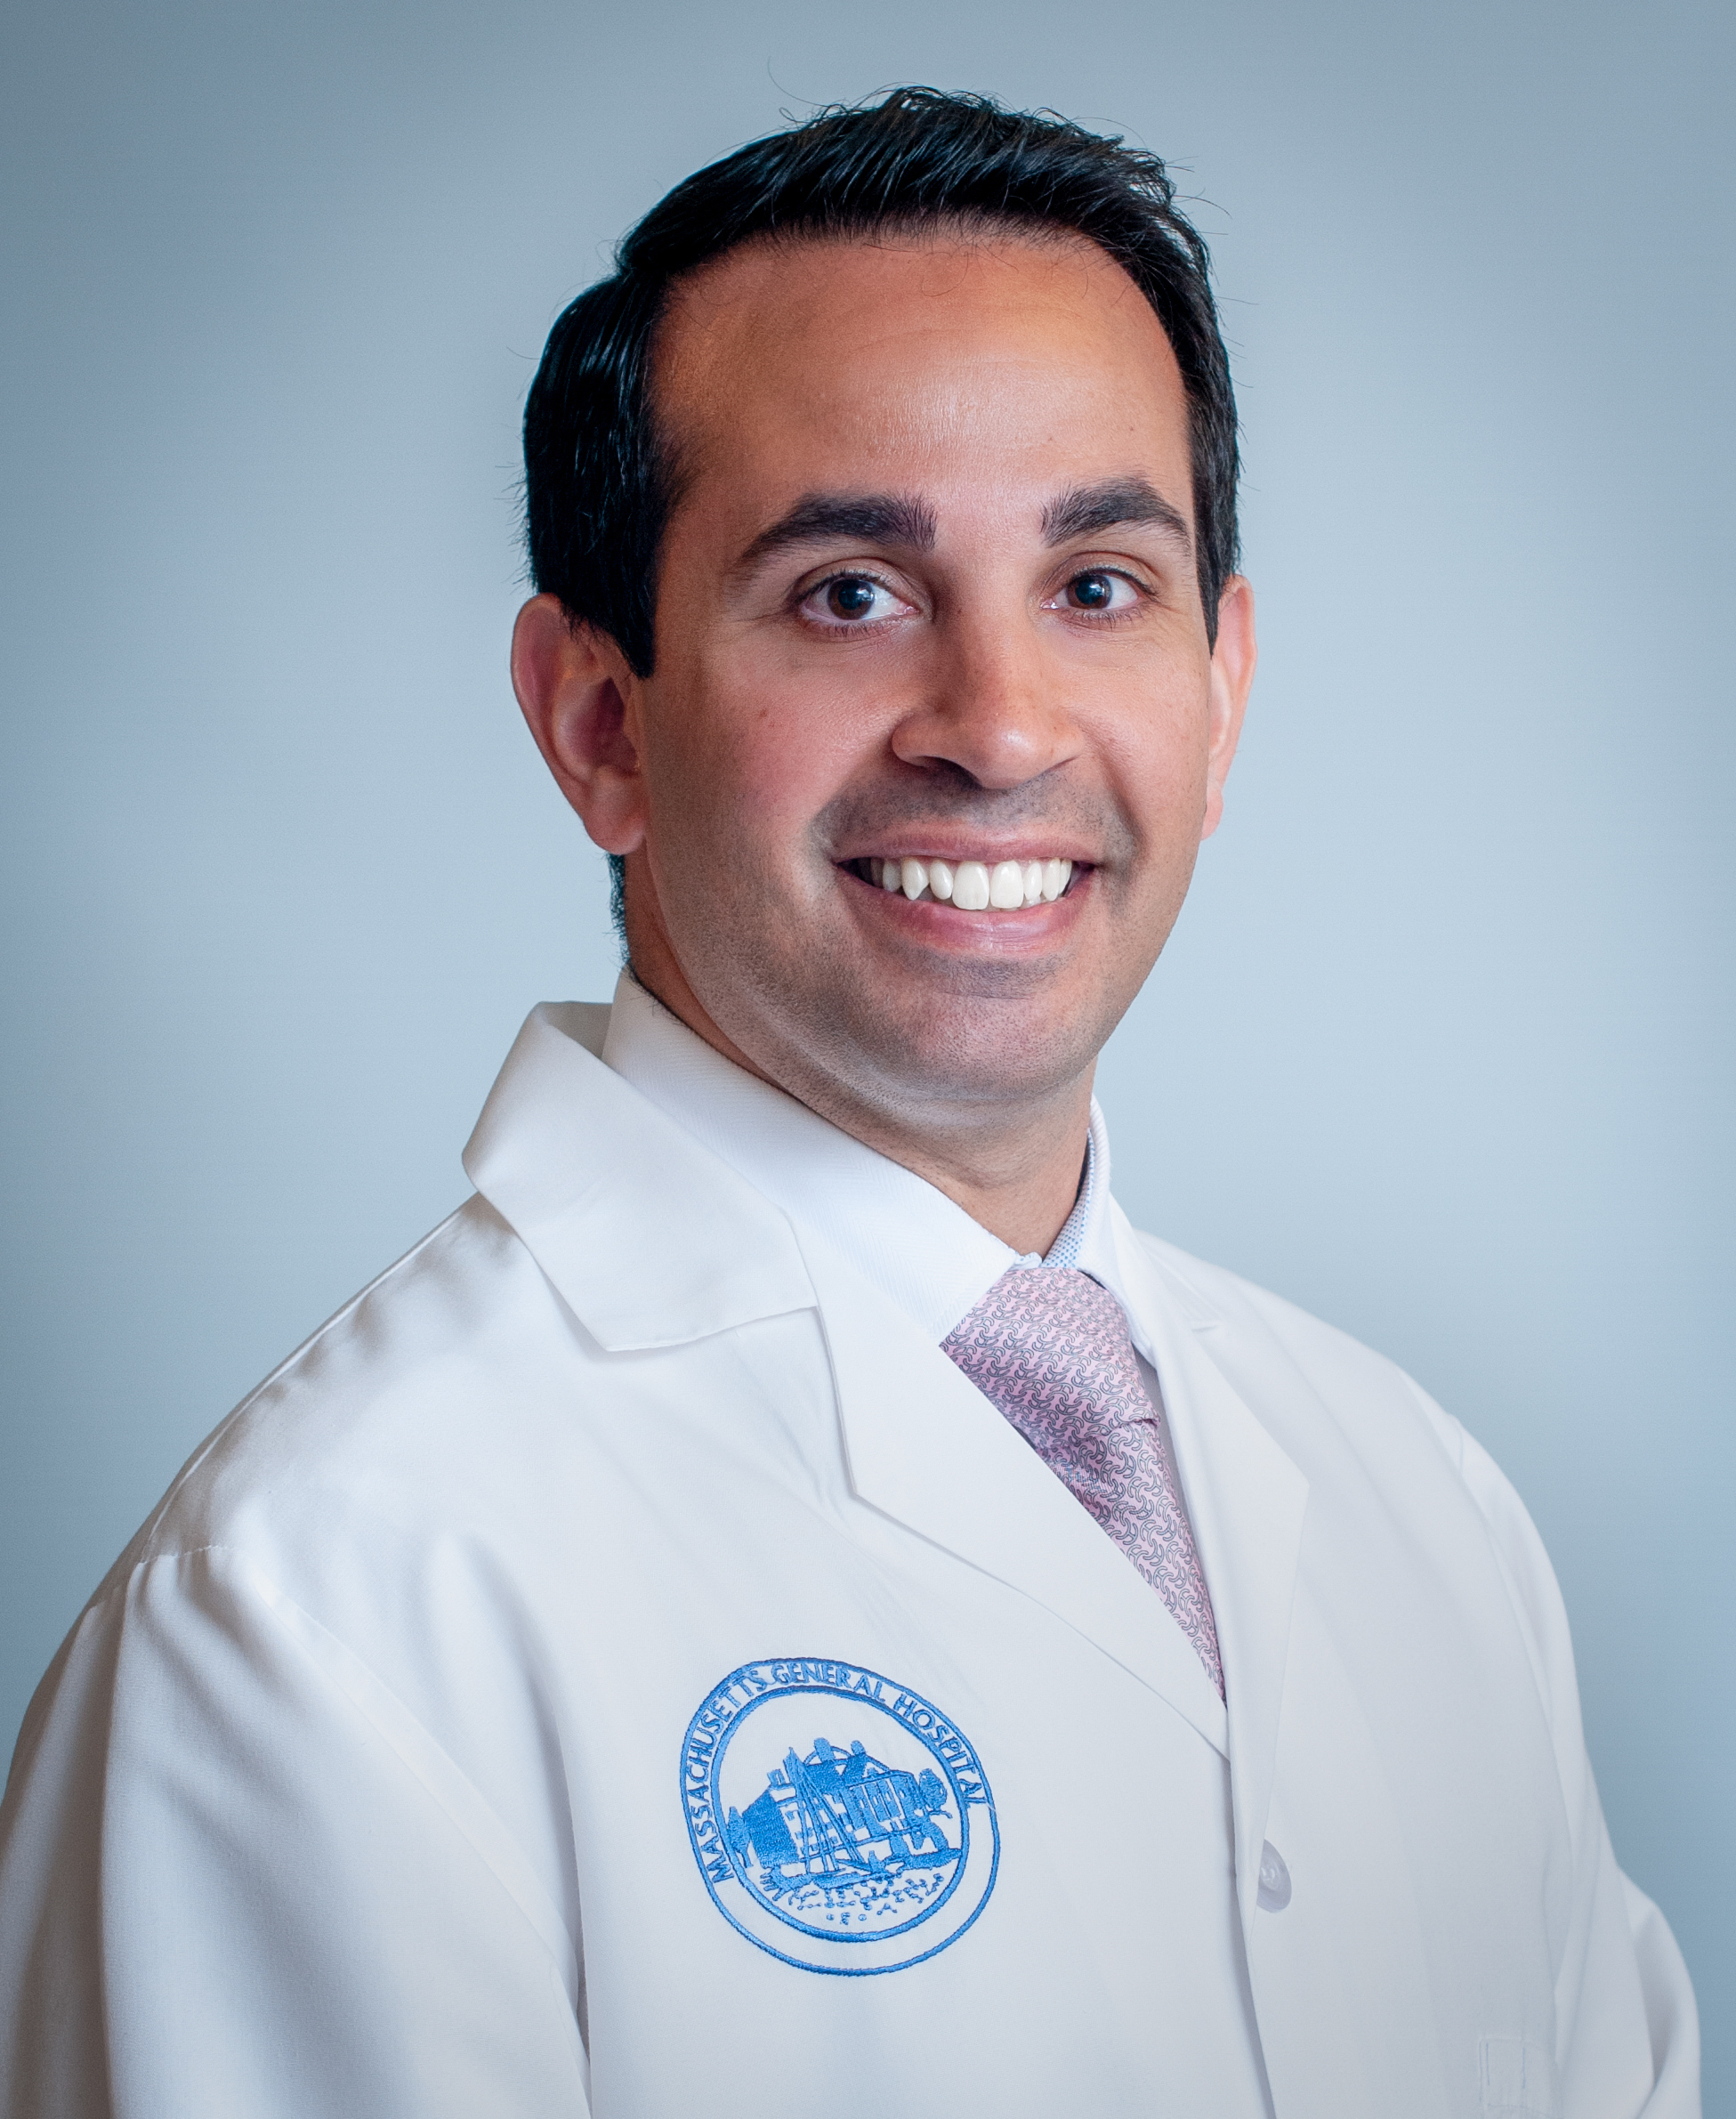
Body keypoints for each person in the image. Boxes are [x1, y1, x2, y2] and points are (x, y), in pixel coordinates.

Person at [0, 88, 1700, 2119]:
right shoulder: (328, 1606)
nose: (997, 726)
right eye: (848, 594)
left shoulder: (1422, 1505)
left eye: (1094, 585)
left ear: (1221, 692)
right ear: (600, 723)